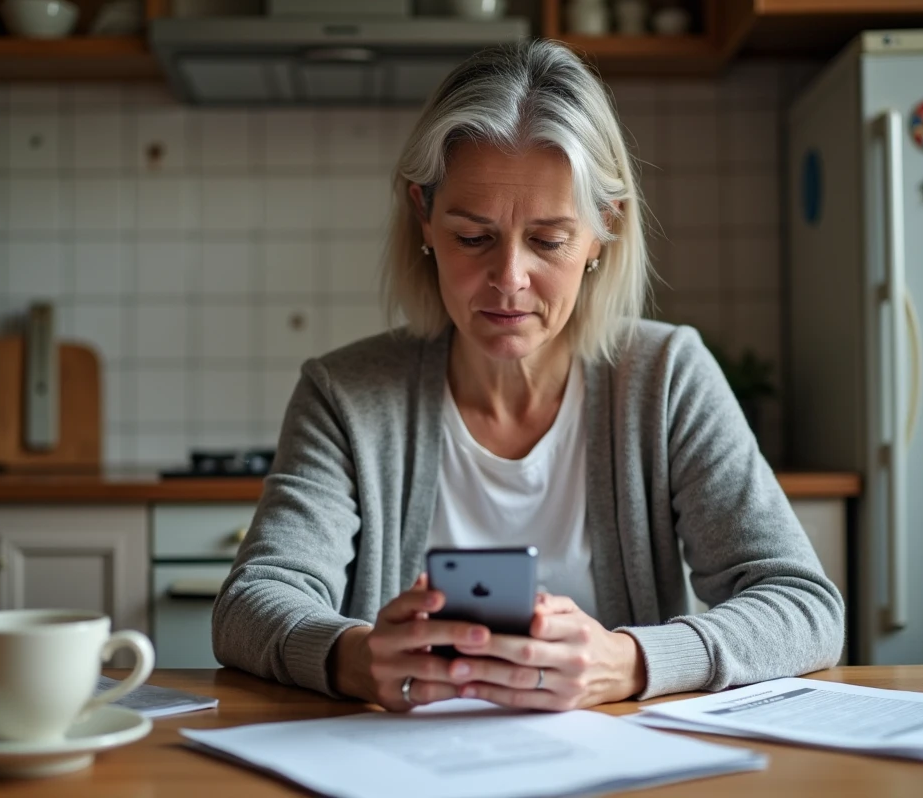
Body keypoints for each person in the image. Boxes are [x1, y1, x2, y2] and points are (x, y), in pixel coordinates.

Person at [213, 39, 844, 712]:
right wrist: (351, 656)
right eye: (473, 237)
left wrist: (628, 662)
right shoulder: (346, 394)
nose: (509, 279)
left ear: (606, 227)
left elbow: (804, 607)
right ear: (423, 216)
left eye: (547, 240)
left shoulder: (665, 377)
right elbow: (250, 605)